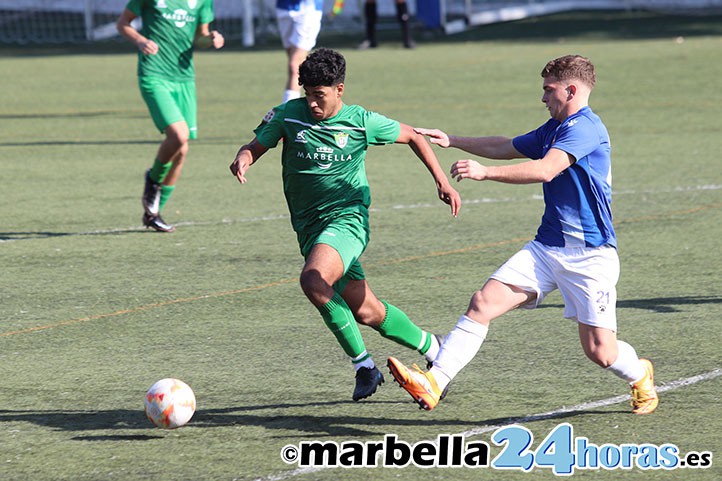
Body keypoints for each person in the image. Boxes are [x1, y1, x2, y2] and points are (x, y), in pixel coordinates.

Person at [387, 55, 659, 415]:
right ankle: (434, 382)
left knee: (601, 352)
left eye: (549, 90)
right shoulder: (553, 128)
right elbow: (506, 145)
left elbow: (547, 170)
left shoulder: (585, 129)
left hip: (590, 256)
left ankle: (640, 374)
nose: (543, 98)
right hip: (546, 249)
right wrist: (451, 140)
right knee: (482, 303)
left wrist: (485, 174)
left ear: (571, 89)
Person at [230, 48, 460, 401]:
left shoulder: (360, 121)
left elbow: (413, 135)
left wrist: (441, 181)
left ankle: (364, 367)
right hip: (310, 229)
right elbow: (254, 146)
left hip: (347, 220)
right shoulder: (289, 116)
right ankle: (434, 348)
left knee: (313, 280)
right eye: (307, 93)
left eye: (319, 95)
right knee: (367, 311)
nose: (312, 103)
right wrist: (244, 158)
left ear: (339, 89)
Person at [117, 0, 224, 233]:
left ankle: (152, 214)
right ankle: (153, 181)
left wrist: (212, 39)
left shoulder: (203, 2)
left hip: (184, 79)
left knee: (182, 149)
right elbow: (123, 24)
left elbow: (200, 37)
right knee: (178, 135)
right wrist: (141, 40)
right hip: (153, 75)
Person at [275, 0, 324, 103]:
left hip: (308, 9)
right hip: (284, 7)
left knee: (294, 66)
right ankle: (312, 101)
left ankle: (288, 114)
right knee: (295, 69)